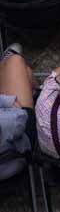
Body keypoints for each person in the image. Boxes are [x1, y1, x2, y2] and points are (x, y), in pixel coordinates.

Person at [0, 44, 33, 181]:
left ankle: (5, 67)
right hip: (16, 156)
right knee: (17, 63)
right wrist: (6, 102)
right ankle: (5, 65)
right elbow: (20, 117)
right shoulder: (10, 122)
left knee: (23, 71)